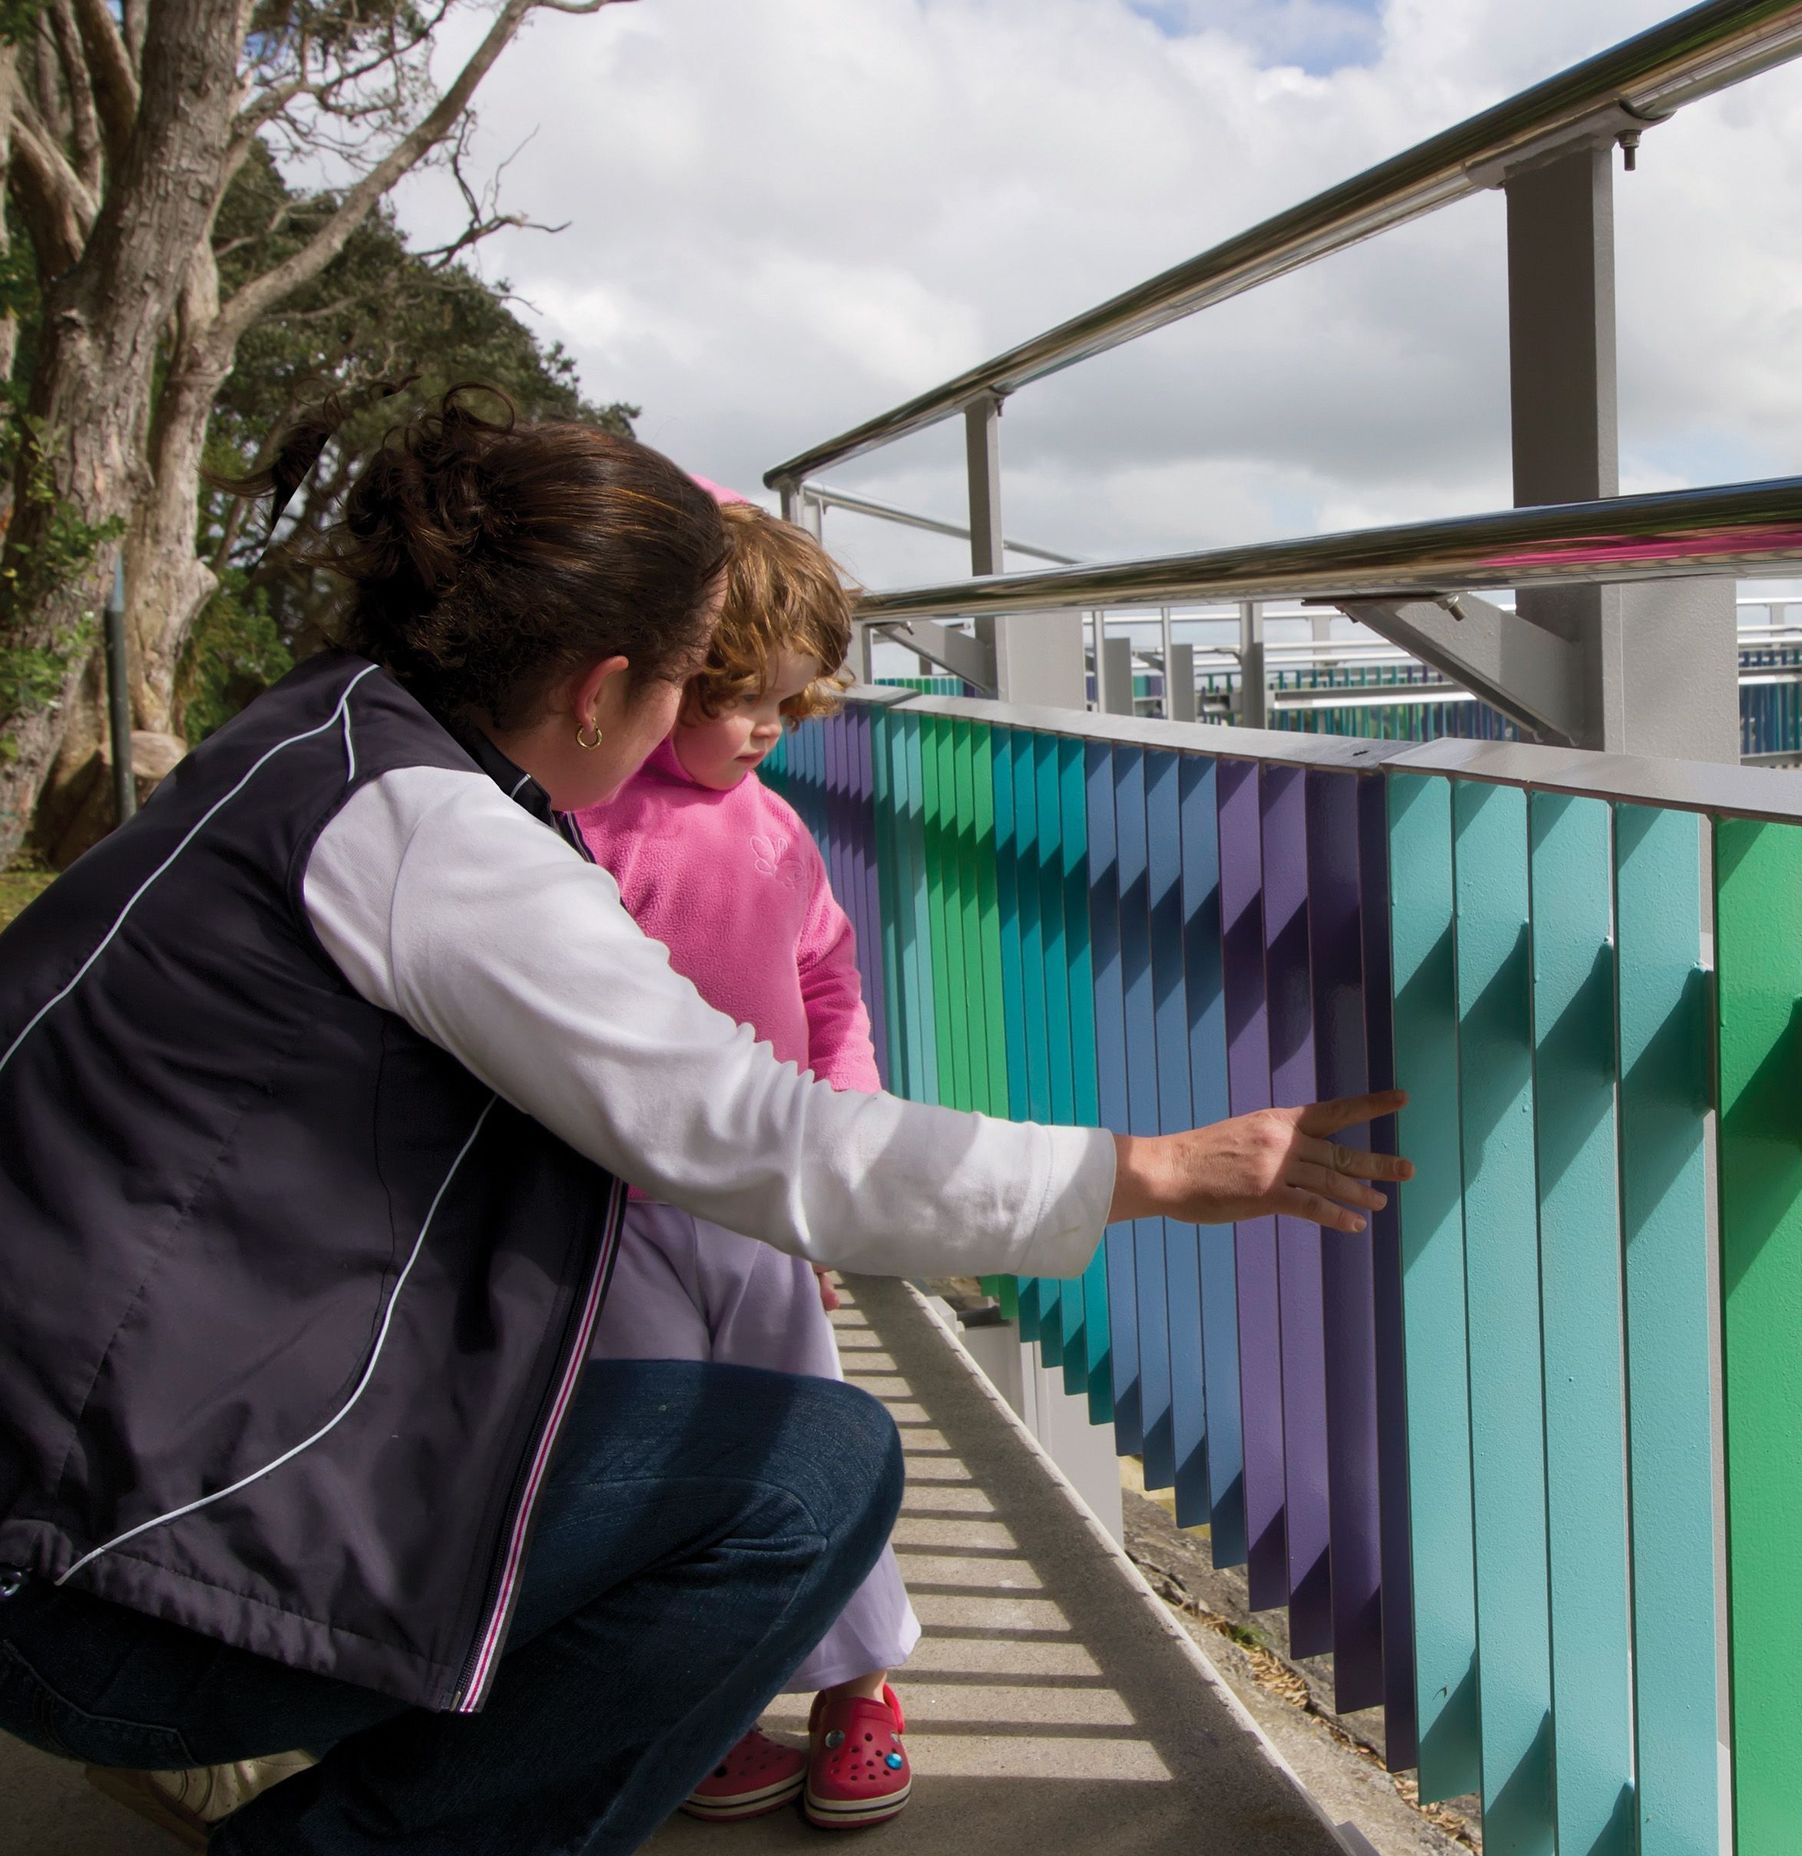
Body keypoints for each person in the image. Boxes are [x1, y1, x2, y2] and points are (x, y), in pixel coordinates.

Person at [0, 387, 1405, 1856]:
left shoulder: (317, 735)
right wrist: (1153, 1168)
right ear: (606, 689)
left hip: (70, 1477)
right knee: (809, 1473)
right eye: (686, 681)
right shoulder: (441, 844)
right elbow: (752, 1130)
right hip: (93, 1579)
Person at [572, 498, 923, 1830]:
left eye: (789, 706)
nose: (769, 732)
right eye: (744, 702)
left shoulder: (773, 830)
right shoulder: (579, 825)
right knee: (654, 1457)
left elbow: (831, 989)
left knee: (807, 1440)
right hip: (610, 1212)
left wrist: (844, 1139)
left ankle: (860, 1685)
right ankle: (709, 1700)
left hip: (760, 1204)